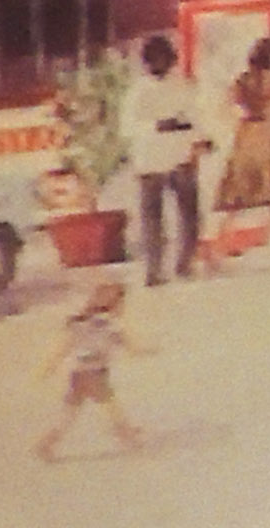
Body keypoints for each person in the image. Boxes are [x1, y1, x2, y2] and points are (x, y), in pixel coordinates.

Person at [35, 279, 147, 460]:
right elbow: (132, 347)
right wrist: (148, 350)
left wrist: (48, 367)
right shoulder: (111, 326)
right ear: (115, 304)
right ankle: (126, 434)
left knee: (69, 413)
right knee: (111, 406)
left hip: (78, 374)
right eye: (122, 303)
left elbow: (63, 348)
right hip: (95, 373)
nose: (123, 308)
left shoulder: (80, 324)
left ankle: (48, 442)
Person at [127, 33, 202, 288]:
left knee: (189, 215)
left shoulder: (181, 85)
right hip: (149, 159)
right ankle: (154, 269)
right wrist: (157, 125)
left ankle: (184, 263)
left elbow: (195, 115)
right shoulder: (138, 91)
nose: (159, 65)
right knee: (152, 219)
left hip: (180, 155)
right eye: (154, 61)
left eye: (163, 60)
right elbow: (127, 126)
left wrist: (200, 138)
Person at [214, 35, 270, 250]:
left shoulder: (243, 80)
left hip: (245, 134)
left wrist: (240, 118)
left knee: (237, 194)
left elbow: (225, 106)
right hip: (265, 134)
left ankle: (221, 244)